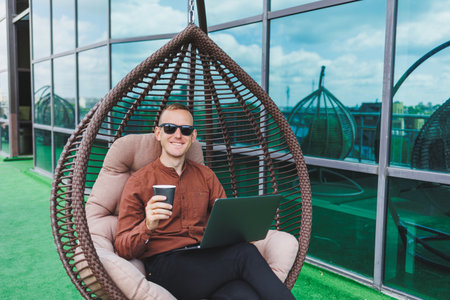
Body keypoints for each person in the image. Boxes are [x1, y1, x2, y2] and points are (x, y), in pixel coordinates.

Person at [115, 103, 295, 300]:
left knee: (241, 293)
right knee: (245, 254)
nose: (177, 135)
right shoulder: (139, 182)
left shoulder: (206, 176)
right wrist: (148, 225)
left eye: (185, 130)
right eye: (169, 128)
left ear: (193, 137)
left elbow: (228, 223)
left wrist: (241, 227)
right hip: (165, 266)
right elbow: (122, 247)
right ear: (158, 133)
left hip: (205, 259)